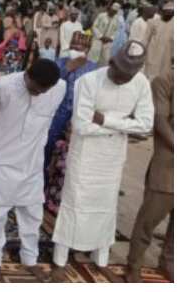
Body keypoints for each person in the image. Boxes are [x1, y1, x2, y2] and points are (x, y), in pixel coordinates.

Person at [50, 40, 154, 282]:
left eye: (130, 75)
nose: (124, 79)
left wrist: (106, 120)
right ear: (111, 62)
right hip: (85, 156)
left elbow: (146, 124)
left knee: (106, 209)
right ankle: (60, 261)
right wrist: (124, 125)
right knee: (73, 206)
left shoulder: (140, 83)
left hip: (113, 158)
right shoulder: (89, 81)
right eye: (120, 73)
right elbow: (81, 125)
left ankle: (102, 260)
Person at [0, 59, 66, 283]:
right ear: (26, 74)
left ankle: (29, 259)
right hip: (3, 161)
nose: (38, 94)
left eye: (43, 91)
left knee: (32, 216)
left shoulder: (60, 88)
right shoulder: (3, 86)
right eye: (34, 88)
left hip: (33, 164)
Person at [126, 70, 173, 282]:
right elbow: (160, 121)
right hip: (168, 166)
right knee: (149, 220)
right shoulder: (164, 81)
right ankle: (133, 266)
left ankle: (169, 262)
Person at [43, 33, 97, 184]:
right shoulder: (60, 62)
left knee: (70, 152)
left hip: (78, 114)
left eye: (79, 48)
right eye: (72, 46)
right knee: (49, 146)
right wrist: (67, 68)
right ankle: (43, 183)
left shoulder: (93, 68)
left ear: (87, 49)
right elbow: (49, 83)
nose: (74, 49)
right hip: (57, 112)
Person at [141, 2, 173, 80]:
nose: (168, 14)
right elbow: (145, 39)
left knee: (161, 79)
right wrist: (142, 52)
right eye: (166, 12)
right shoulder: (153, 22)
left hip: (166, 58)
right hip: (151, 55)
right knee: (148, 77)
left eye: (171, 13)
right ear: (162, 12)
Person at [89, 2, 120, 67]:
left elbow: (116, 31)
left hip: (107, 42)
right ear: (110, 9)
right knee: (93, 59)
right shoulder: (101, 15)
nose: (113, 13)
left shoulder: (116, 19)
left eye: (115, 12)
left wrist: (111, 38)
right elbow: (94, 26)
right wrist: (100, 36)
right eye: (112, 10)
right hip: (98, 40)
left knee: (105, 61)